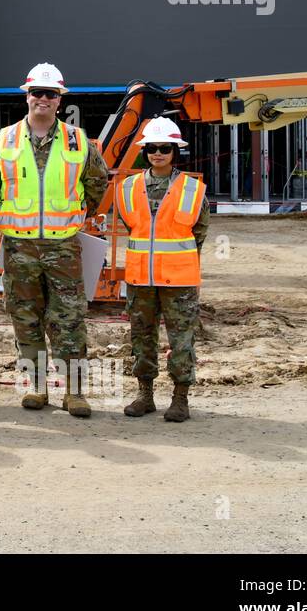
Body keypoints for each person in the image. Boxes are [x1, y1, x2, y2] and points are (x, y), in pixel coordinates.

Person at [0, 62, 108, 417]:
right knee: (25, 318)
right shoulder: (3, 140)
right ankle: (35, 387)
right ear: (27, 96)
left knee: (69, 319)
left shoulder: (78, 141)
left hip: (63, 245)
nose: (43, 99)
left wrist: (75, 212)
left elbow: (97, 182)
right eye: (37, 92)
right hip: (19, 246)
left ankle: (75, 392)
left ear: (59, 99)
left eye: (51, 94)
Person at [115, 116, 209, 422]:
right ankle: (145, 395)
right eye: (152, 148)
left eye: (165, 148)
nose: (158, 153)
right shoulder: (127, 187)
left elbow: (199, 233)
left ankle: (180, 399)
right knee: (142, 337)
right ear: (145, 151)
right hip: (141, 278)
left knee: (181, 340)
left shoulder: (192, 190)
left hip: (179, 279)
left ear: (175, 151)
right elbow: (132, 226)